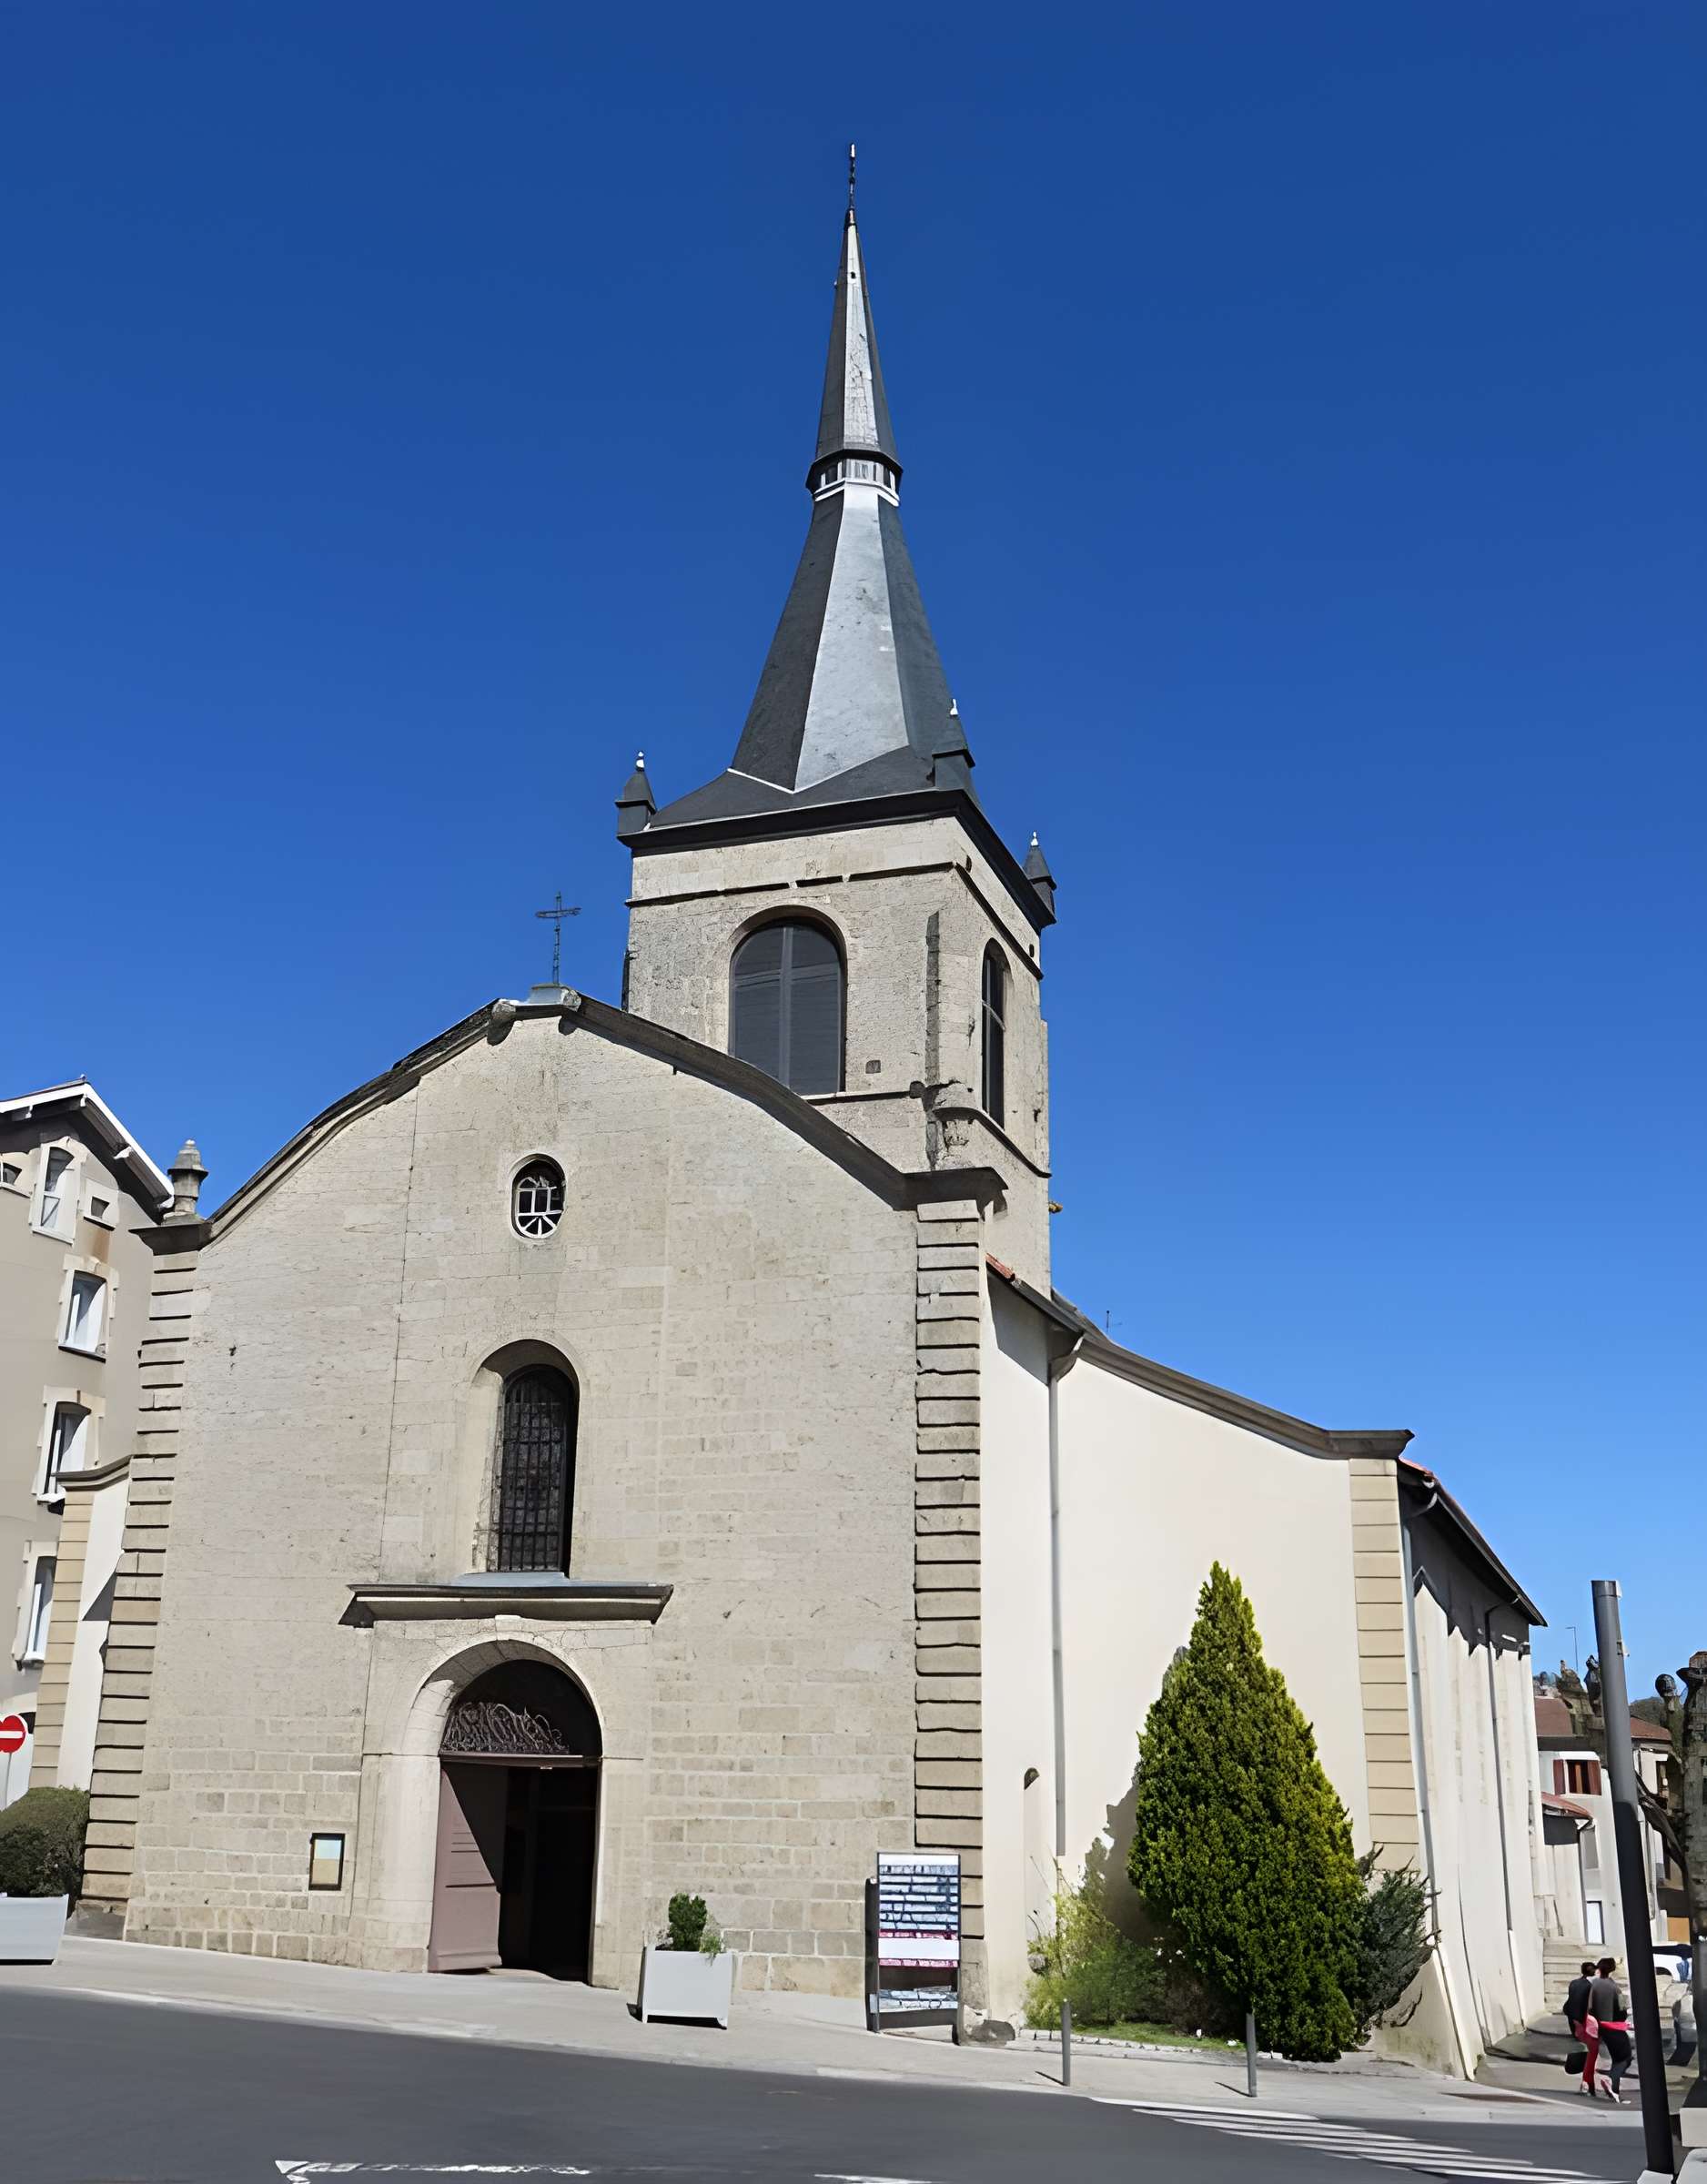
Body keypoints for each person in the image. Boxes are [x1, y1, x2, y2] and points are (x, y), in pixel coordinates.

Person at [1589, 1956, 1632, 2102]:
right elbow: (1622, 2009)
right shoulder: (1615, 1987)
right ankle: (1610, 2079)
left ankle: (1614, 2090)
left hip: (1600, 2026)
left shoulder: (1593, 1985)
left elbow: (1589, 2008)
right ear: (1612, 1969)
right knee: (1625, 2057)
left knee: (1617, 2058)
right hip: (1614, 2026)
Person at [1564, 1959, 1601, 2098]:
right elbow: (1587, 2007)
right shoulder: (1589, 1987)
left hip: (1573, 2022)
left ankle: (1587, 2083)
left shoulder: (1574, 1983)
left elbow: (1568, 2004)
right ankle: (1587, 2084)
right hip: (1583, 2024)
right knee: (1590, 2055)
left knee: (1583, 2052)